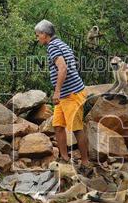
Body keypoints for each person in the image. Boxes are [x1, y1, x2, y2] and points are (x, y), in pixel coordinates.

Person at [34, 19, 90, 167]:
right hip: (64, 95)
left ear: (45, 35)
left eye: (38, 35)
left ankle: (85, 162)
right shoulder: (60, 44)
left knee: (77, 128)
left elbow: (63, 68)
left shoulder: (53, 46)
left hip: (71, 94)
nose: (37, 38)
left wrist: (57, 91)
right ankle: (64, 158)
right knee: (58, 126)